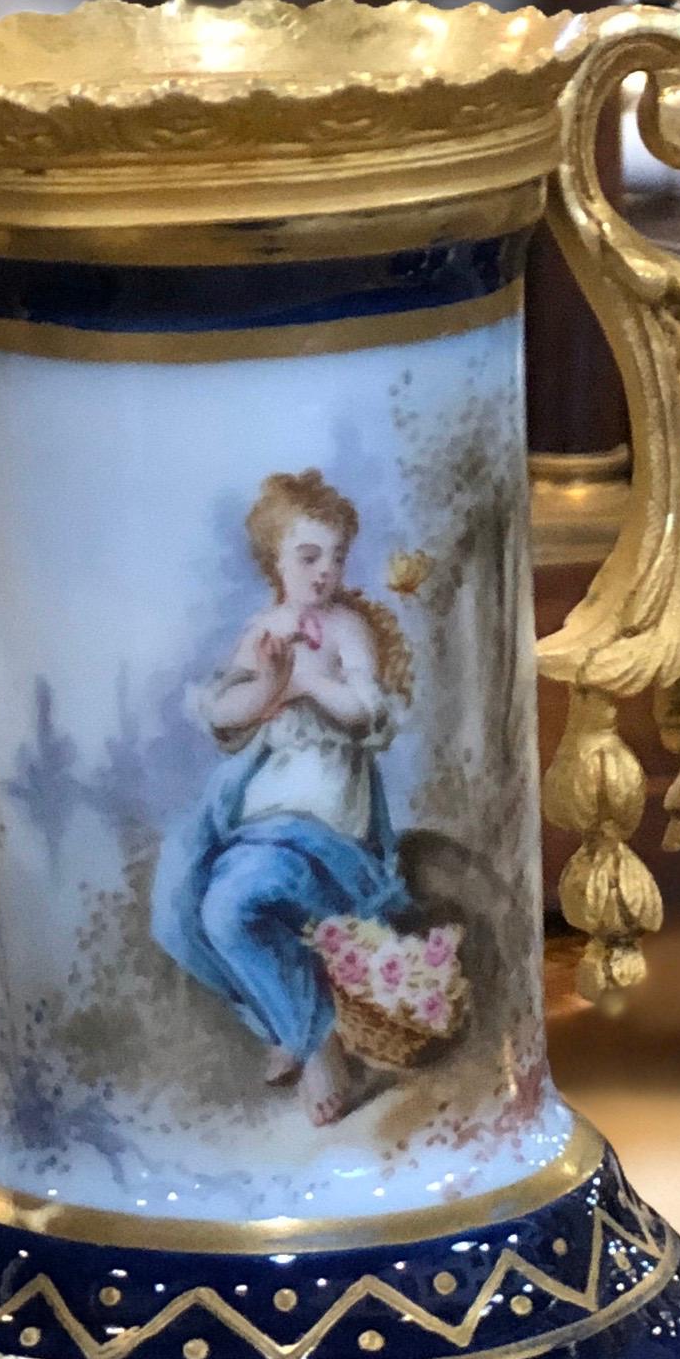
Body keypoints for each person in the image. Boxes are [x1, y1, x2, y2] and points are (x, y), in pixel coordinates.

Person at [151, 469, 413, 1122]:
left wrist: (303, 687)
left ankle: (318, 1041)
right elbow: (227, 718)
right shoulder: (264, 629)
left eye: (336, 556)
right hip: (261, 804)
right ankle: (283, 1019)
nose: (325, 571)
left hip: (322, 810)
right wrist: (266, 683)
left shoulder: (347, 627)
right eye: (308, 555)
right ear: (275, 558)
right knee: (182, 908)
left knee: (232, 907)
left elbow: (365, 714)